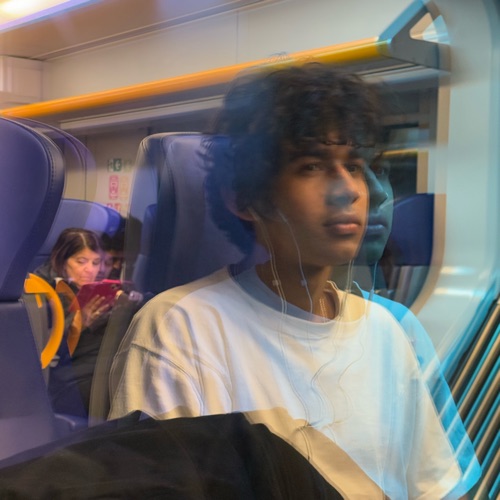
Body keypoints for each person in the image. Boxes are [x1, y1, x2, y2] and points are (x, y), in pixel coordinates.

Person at [108, 64, 481, 498]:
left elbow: (434, 488)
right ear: (245, 197)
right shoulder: (181, 329)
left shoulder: (387, 333)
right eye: (312, 166)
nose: (349, 190)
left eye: (355, 166)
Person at [35, 228, 114, 416]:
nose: (90, 270)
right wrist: (80, 322)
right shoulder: (41, 291)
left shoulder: (85, 289)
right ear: (62, 260)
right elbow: (45, 348)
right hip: (63, 379)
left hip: (94, 366)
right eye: (81, 261)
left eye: (96, 263)